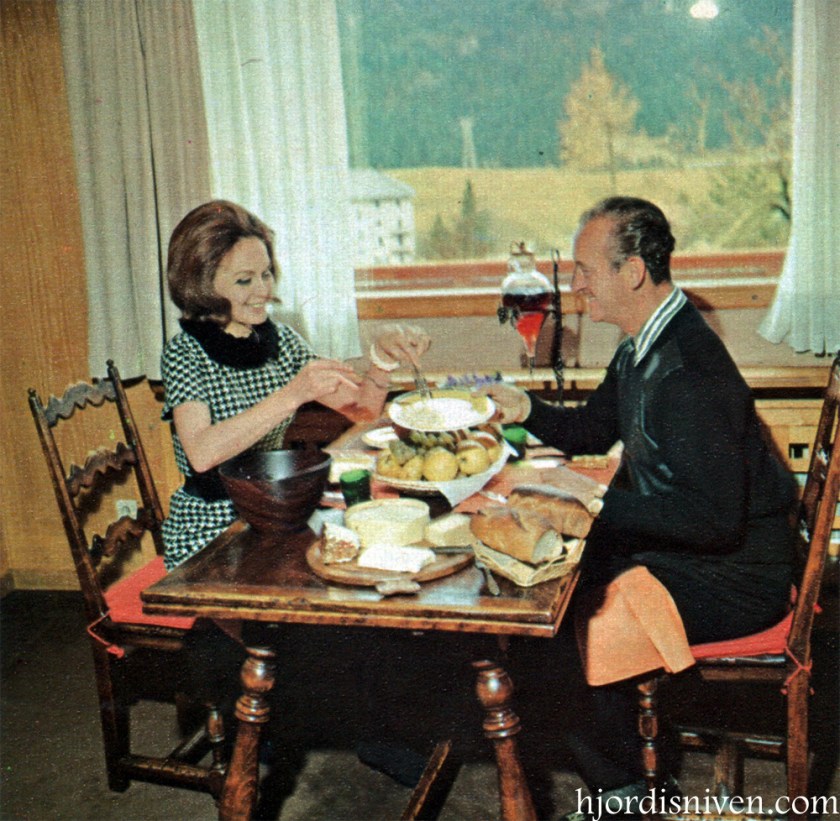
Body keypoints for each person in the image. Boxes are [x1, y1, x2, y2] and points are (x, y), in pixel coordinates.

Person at [483, 197, 796, 814]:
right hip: (701, 547)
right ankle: (621, 773)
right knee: (555, 583)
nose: (573, 287)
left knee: (562, 609)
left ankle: (628, 794)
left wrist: (594, 504)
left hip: (739, 576)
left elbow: (712, 522)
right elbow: (595, 432)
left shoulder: (688, 370)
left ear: (631, 273)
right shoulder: (644, 341)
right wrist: (525, 409)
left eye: (584, 271)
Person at [160, 199, 430, 569]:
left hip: (272, 514)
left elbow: (364, 410)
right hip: (212, 530)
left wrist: (381, 361)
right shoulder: (185, 353)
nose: (263, 290)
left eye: (266, 274)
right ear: (202, 284)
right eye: (244, 280)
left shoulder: (280, 340)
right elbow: (203, 454)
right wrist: (291, 395)